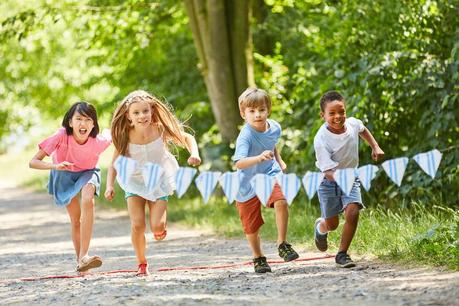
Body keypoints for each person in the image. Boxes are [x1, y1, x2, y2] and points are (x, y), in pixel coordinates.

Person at [104, 90, 201, 276]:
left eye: (145, 111)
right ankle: (142, 263)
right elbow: (114, 164)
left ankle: (159, 228)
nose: (142, 116)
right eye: (136, 113)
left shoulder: (160, 129)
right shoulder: (125, 135)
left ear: (152, 111)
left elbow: (187, 138)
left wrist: (194, 153)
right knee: (138, 224)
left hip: (158, 181)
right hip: (134, 182)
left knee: (157, 227)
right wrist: (109, 185)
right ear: (128, 116)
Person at [29, 101, 111, 272]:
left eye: (88, 120)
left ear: (94, 123)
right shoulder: (61, 136)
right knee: (76, 221)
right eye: (79, 119)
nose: (83, 124)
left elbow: (116, 132)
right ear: (70, 122)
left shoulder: (98, 141)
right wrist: (55, 166)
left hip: (87, 172)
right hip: (63, 175)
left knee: (88, 200)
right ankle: (81, 261)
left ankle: (85, 255)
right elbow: (33, 162)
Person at [313, 90, 384, 268]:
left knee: (353, 211)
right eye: (332, 113)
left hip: (351, 178)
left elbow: (363, 129)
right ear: (323, 115)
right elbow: (328, 171)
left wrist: (374, 146)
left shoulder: (352, 124)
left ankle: (342, 254)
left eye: (341, 111)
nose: (338, 116)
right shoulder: (321, 139)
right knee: (332, 224)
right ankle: (321, 227)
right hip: (329, 182)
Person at [232, 87, 299, 273]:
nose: (257, 115)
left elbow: (271, 143)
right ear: (243, 114)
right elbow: (239, 163)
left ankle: (282, 243)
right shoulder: (245, 136)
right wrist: (258, 158)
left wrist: (279, 159)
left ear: (268, 109)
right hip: (247, 183)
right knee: (251, 226)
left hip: (270, 173)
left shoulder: (275, 126)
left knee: (282, 201)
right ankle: (258, 257)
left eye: (261, 109)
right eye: (251, 111)